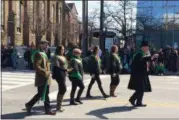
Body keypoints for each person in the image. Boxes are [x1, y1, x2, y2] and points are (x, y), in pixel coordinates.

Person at [25, 40, 56, 115]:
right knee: (43, 94)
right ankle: (46, 109)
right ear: (41, 45)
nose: (47, 46)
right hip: (42, 78)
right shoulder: (39, 54)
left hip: (46, 77)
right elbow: (36, 66)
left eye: (47, 45)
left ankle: (29, 105)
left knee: (42, 93)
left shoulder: (44, 54)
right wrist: (45, 72)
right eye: (45, 45)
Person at [128, 41, 158, 107]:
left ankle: (139, 102)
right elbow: (141, 61)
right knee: (140, 89)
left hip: (143, 74)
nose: (148, 49)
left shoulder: (144, 54)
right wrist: (151, 57)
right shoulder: (139, 54)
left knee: (142, 89)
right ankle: (132, 99)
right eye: (147, 47)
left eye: (148, 47)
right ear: (143, 47)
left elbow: (145, 61)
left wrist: (152, 58)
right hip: (138, 74)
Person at [52, 45, 72, 112]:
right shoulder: (56, 57)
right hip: (59, 74)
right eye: (62, 49)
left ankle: (59, 106)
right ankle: (58, 106)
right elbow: (57, 67)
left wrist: (68, 69)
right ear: (58, 50)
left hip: (63, 74)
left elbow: (65, 65)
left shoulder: (63, 56)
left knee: (62, 89)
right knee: (63, 88)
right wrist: (65, 70)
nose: (63, 50)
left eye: (64, 49)